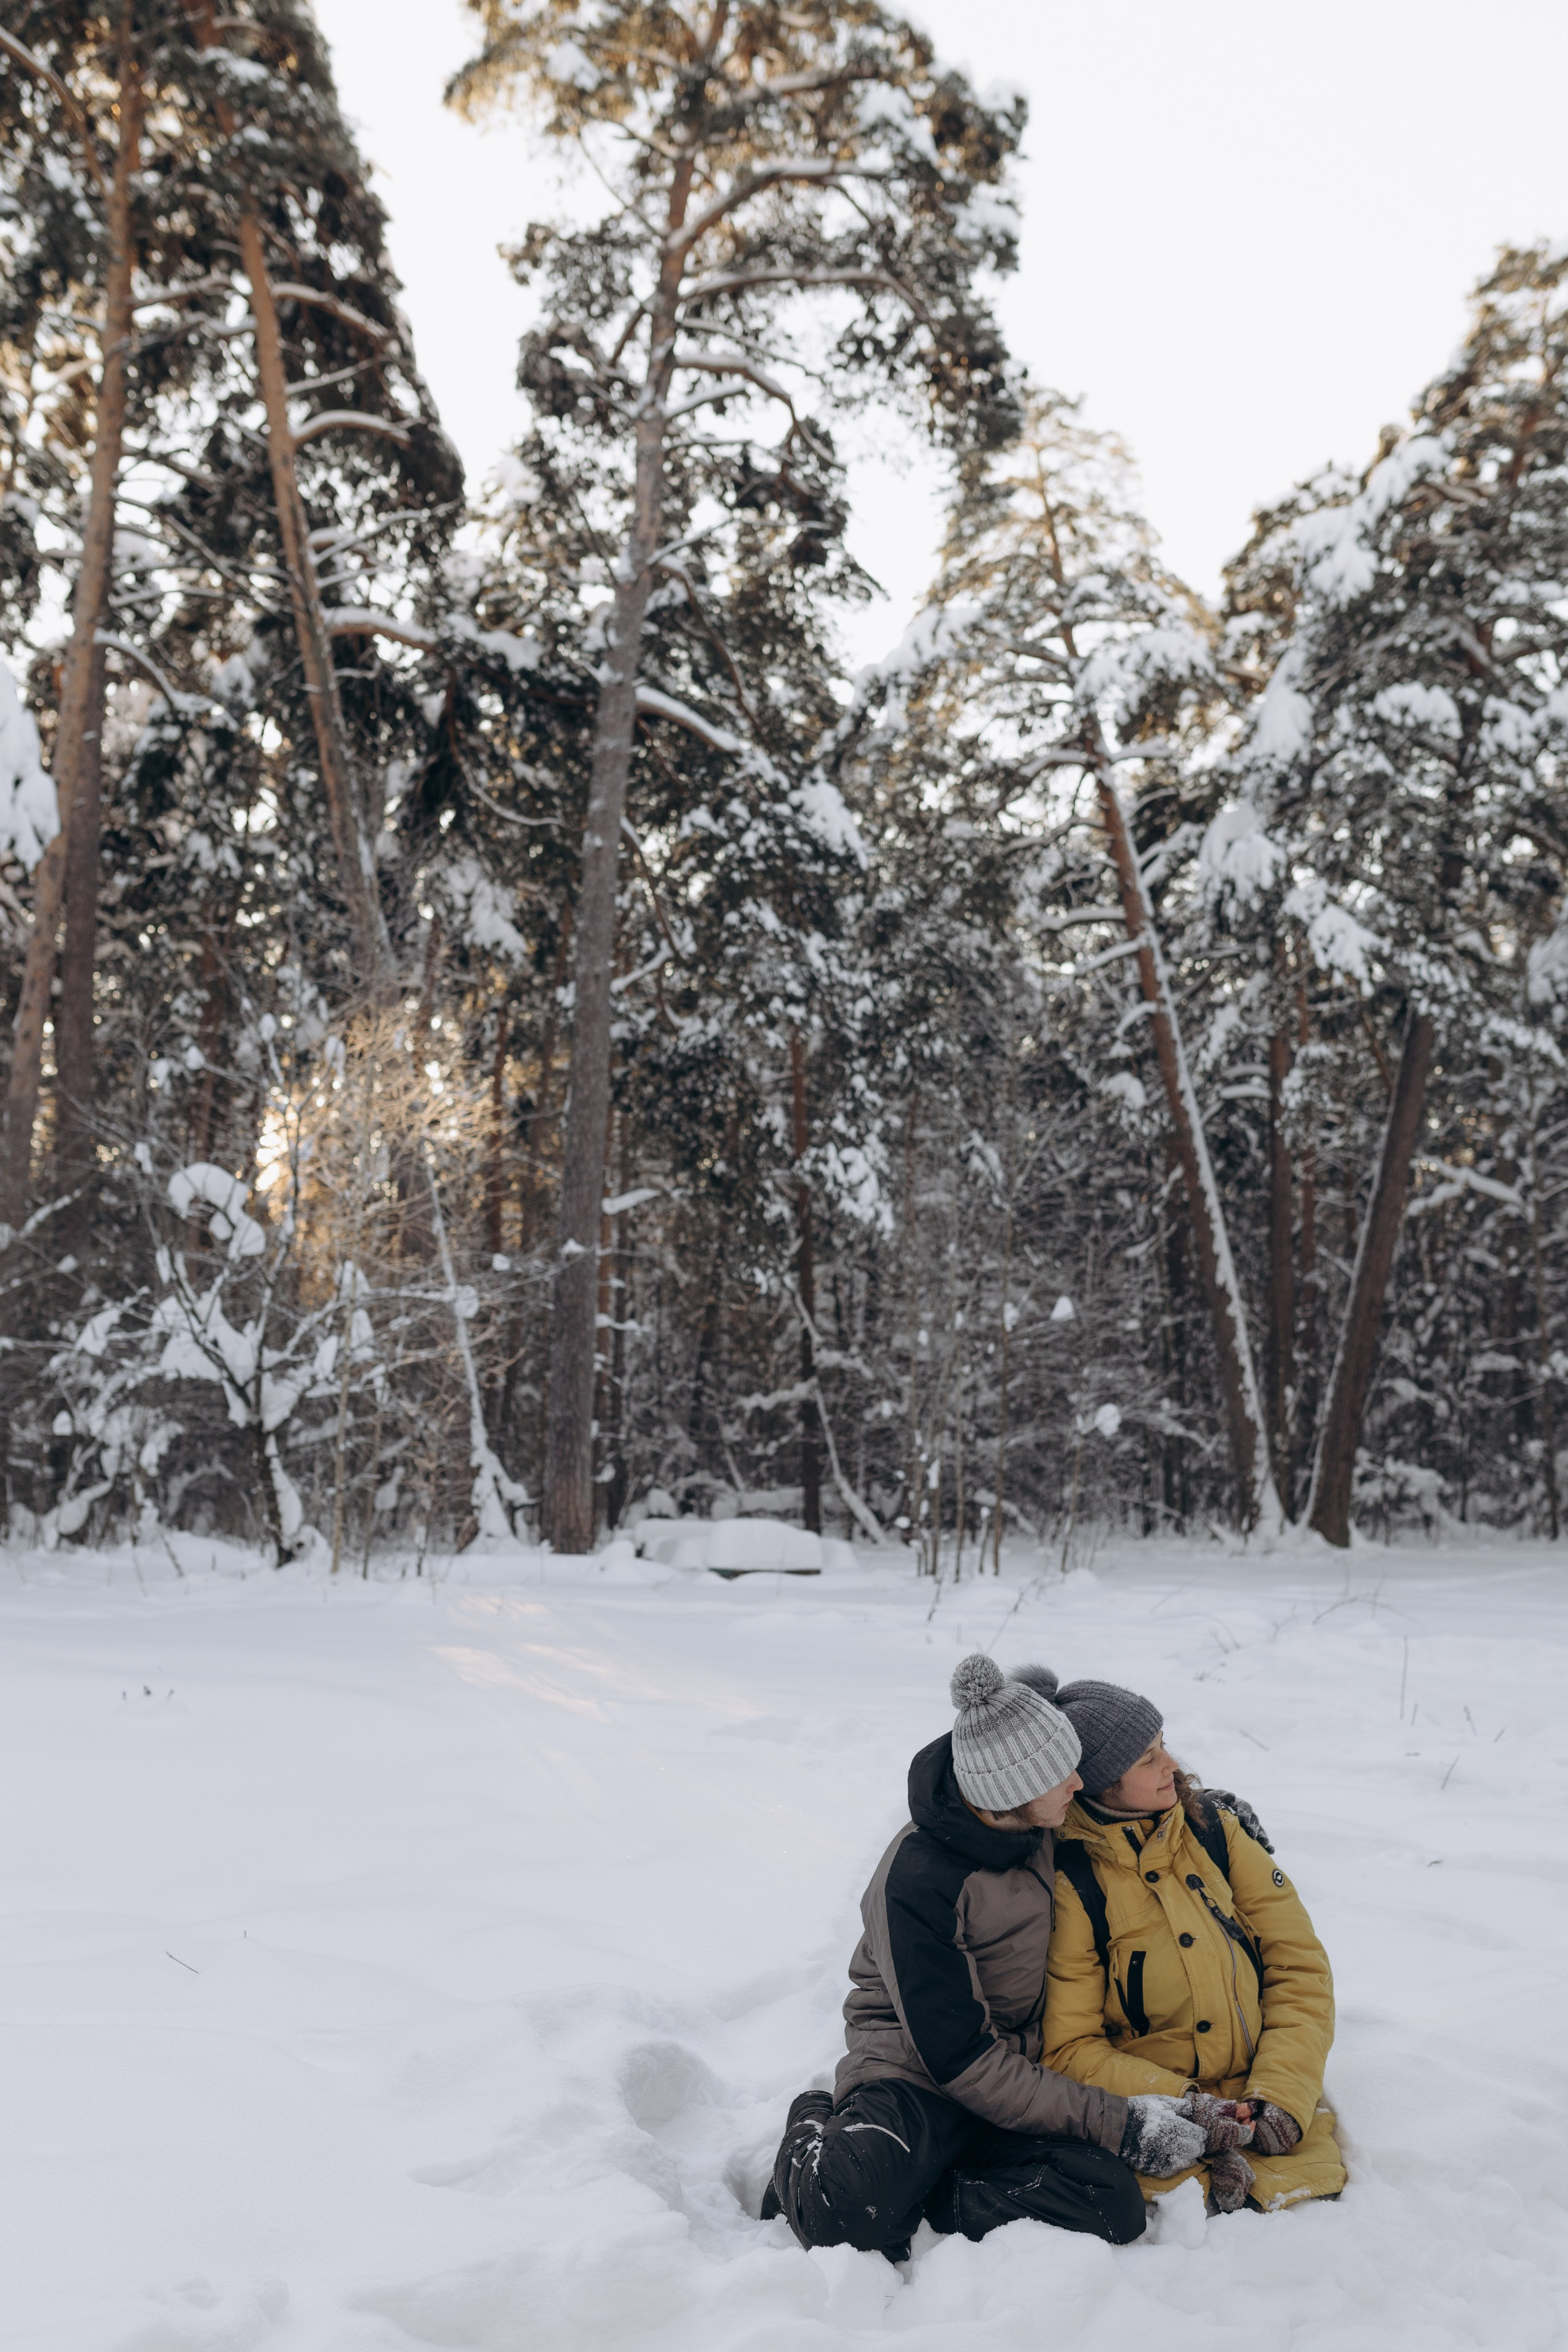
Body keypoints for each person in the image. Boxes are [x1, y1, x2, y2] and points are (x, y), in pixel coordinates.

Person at [762, 1655, 1256, 2262]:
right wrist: (1120, 2124)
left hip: (1021, 2072)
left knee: (1112, 2204)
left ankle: (930, 2191)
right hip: (918, 2074)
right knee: (849, 2219)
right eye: (1062, 1776)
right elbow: (960, 2061)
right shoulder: (917, 1882)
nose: (1078, 1785)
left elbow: (1131, 1808)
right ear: (1010, 1795)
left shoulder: (1041, 1820)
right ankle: (816, 2130)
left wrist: (1212, 1815)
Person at [1030, 1665, 1347, 2213]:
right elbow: (1070, 2047)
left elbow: (1299, 1968)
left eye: (1165, 1745)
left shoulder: (1216, 1832)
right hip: (1156, 2129)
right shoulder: (1072, 1882)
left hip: (1269, 2105)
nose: (1172, 1766)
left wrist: (1282, 2099)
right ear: (1103, 1782)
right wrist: (1186, 2111)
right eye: (1147, 1758)